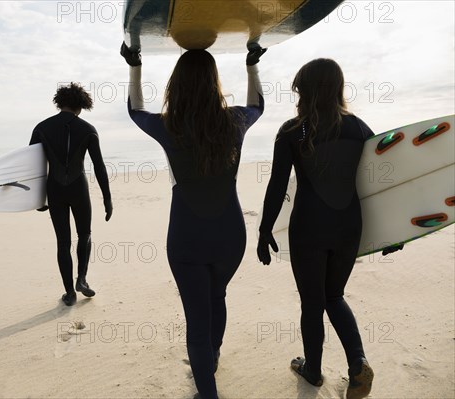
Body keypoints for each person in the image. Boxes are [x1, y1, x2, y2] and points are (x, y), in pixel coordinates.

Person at [121, 42, 266, 399]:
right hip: (230, 234)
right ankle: (211, 360)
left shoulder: (168, 125)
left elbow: (134, 110)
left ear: (177, 85)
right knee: (217, 296)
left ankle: (208, 387)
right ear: (214, 82)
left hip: (186, 235)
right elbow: (258, 106)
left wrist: (134, 65)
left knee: (196, 318)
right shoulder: (234, 121)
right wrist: (251, 65)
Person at [257, 58, 401, 399]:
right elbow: (381, 181)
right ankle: (358, 364)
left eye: (298, 91)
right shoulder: (360, 128)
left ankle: (314, 370)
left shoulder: (293, 131)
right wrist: (394, 230)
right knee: (333, 296)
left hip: (309, 227)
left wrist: (264, 231)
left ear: (306, 91)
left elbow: (277, 186)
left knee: (312, 302)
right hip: (349, 226)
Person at [30, 82, 113, 307]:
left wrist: (37, 198)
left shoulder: (41, 128)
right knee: (84, 234)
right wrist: (107, 197)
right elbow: (99, 166)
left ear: (60, 102)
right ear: (81, 105)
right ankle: (82, 280)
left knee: (62, 242)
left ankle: (69, 293)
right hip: (79, 189)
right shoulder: (88, 129)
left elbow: (32, 166)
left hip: (54, 189)